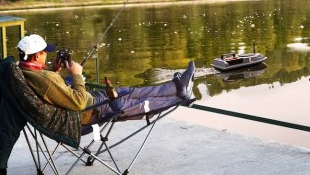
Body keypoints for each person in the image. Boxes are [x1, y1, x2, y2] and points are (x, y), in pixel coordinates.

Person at [16, 34, 195, 125]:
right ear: (38, 54)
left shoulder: (25, 72)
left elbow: (52, 88)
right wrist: (76, 74)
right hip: (88, 111)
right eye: (45, 52)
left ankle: (176, 88)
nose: (47, 55)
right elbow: (78, 102)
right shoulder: (45, 79)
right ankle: (179, 98)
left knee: (127, 91)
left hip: (88, 103)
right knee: (133, 103)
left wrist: (54, 70)